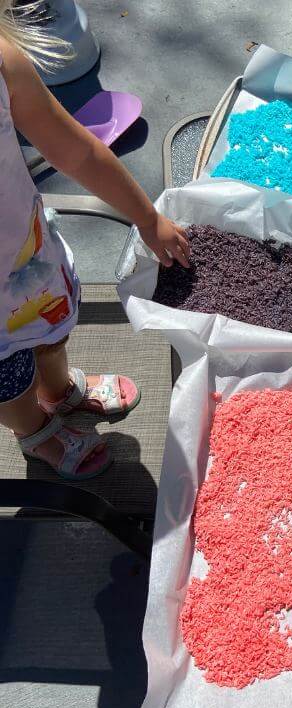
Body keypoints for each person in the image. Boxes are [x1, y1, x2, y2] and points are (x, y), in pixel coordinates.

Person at [0, 1, 189, 479]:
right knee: (7, 381)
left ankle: (58, 391)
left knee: (51, 330)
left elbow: (79, 151)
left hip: (26, 262)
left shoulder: (3, 62)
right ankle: (34, 429)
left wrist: (146, 216)